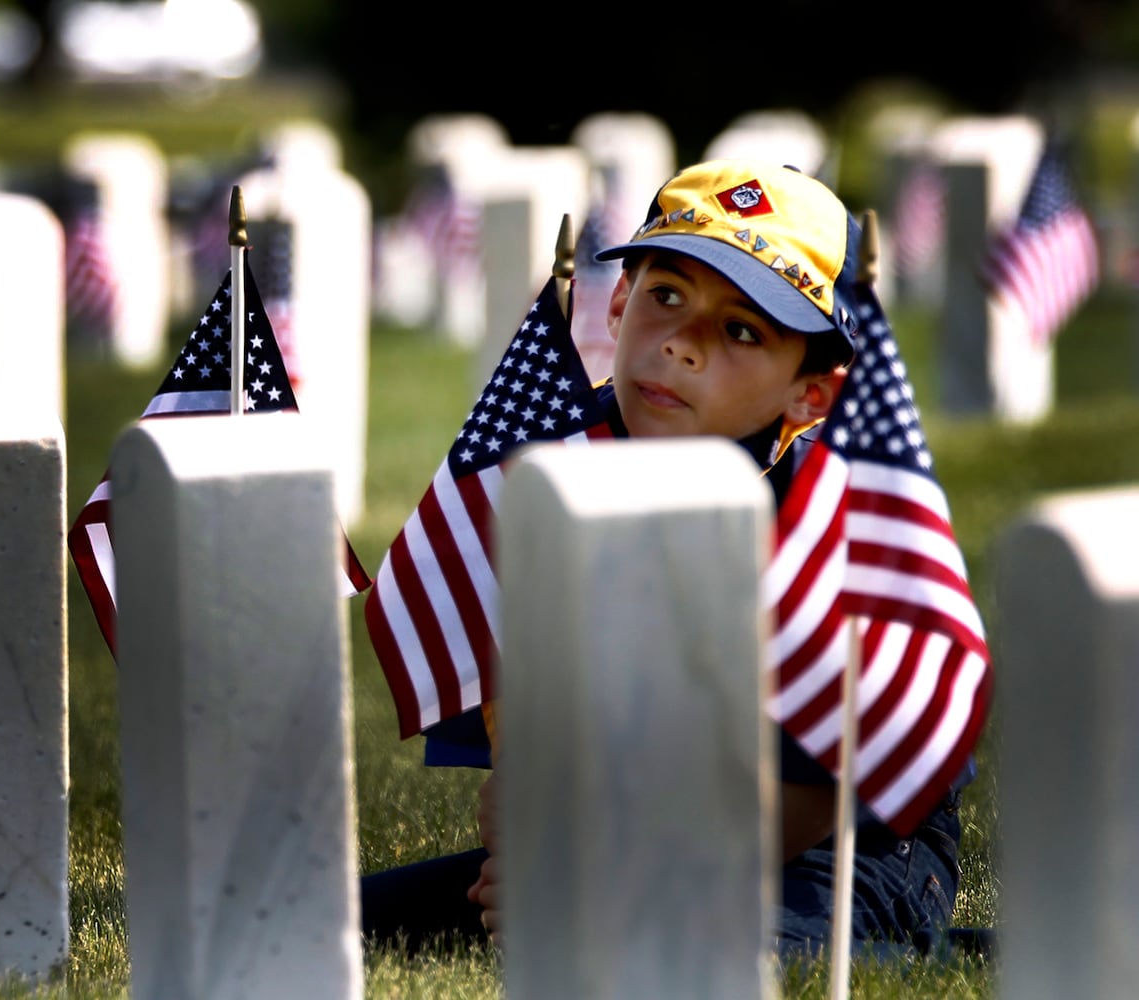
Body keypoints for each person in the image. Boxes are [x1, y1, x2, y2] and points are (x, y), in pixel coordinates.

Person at [360, 158, 971, 961]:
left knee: (707, 955)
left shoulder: (835, 516)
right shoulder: (549, 472)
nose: (682, 345)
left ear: (810, 392)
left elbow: (812, 794)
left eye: (742, 329)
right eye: (667, 296)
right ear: (618, 302)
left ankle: (926, 944)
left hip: (842, 837)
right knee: (333, 917)